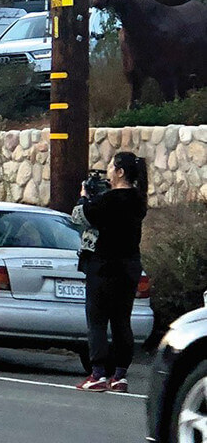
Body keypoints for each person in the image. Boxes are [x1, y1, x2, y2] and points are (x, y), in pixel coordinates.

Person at [73, 152, 148, 393]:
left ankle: (97, 373)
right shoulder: (138, 200)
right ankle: (120, 375)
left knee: (97, 320)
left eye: (110, 166)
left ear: (120, 172)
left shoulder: (109, 201)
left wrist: (84, 198)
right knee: (121, 320)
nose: (107, 170)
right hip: (130, 266)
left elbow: (81, 217)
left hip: (104, 265)